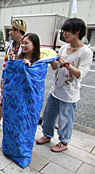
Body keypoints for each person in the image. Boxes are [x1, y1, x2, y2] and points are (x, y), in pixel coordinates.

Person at [36, 18, 93, 152]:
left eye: (67, 31)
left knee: (65, 119)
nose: (64, 34)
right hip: (55, 90)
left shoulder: (86, 52)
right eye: (63, 31)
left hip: (69, 94)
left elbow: (80, 74)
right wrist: (49, 59)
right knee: (48, 116)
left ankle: (64, 142)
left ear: (77, 31)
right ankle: (47, 135)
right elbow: (56, 67)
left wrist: (66, 63)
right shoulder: (63, 47)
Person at [2, 33, 58, 168]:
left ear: (35, 45)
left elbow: (51, 67)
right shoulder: (18, 58)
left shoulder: (39, 61)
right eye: (22, 43)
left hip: (30, 101)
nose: (23, 45)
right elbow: (9, 76)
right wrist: (17, 64)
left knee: (25, 126)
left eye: (26, 43)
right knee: (12, 124)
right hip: (14, 101)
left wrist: (30, 66)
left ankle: (21, 153)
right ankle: (9, 148)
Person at [0, 19, 27, 132]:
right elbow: (6, 62)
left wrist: (16, 59)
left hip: (19, 79)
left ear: (18, 31)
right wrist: (3, 76)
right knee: (2, 98)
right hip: (7, 76)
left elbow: (29, 62)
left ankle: (16, 125)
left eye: (11, 30)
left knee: (17, 102)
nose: (9, 32)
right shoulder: (10, 45)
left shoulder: (25, 44)